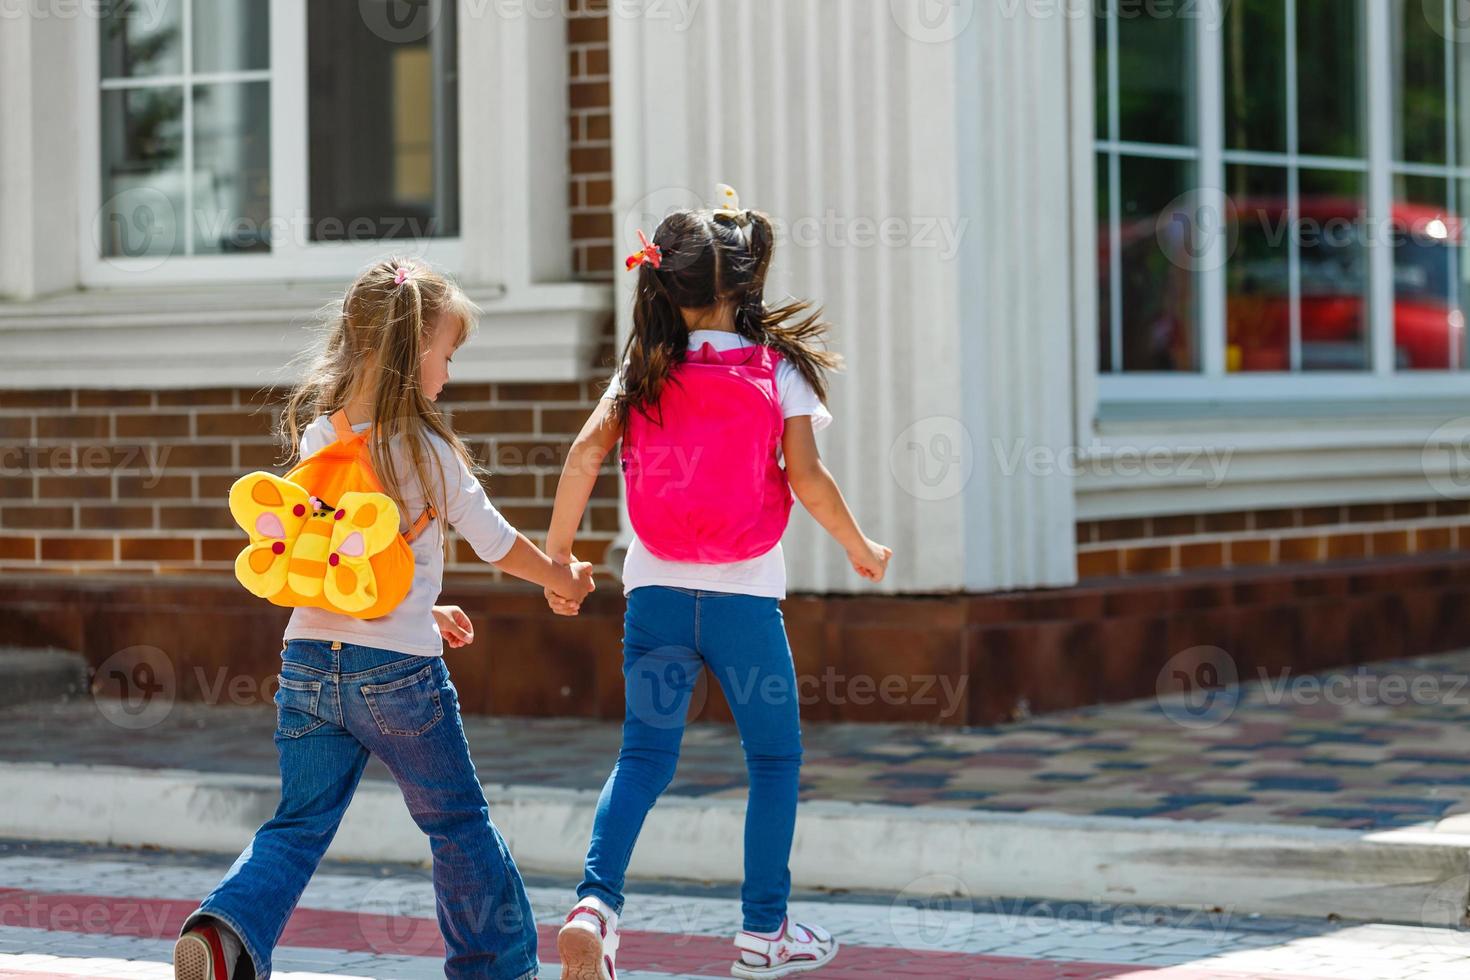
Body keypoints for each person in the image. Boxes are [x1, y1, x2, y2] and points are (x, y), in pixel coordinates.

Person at [173, 258, 594, 980]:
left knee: (298, 822)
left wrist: (425, 602)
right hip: (398, 675)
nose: (449, 374)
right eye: (446, 355)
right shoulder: (429, 452)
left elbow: (344, 561)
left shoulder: (319, 438)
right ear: (410, 351)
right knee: (456, 823)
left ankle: (224, 936)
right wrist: (563, 577)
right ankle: (494, 967)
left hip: (307, 661)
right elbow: (497, 544)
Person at [543, 195, 892, 979]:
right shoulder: (779, 369)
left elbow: (581, 456)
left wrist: (558, 558)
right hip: (744, 603)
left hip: (656, 598)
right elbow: (805, 477)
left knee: (642, 757)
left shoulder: (643, 368)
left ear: (665, 287)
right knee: (772, 759)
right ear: (743, 283)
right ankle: (765, 933)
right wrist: (859, 546)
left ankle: (594, 907)